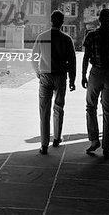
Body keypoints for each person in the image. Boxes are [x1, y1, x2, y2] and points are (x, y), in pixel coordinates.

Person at [82, 8, 109, 158]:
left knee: (90, 106)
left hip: (95, 72)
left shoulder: (91, 36)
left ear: (99, 20)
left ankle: (94, 140)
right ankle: (107, 147)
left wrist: (83, 75)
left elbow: (86, 57)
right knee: (108, 111)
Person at [32, 10, 76, 155]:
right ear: (62, 21)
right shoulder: (67, 39)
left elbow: (34, 57)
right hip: (61, 76)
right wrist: (73, 79)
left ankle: (44, 144)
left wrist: (37, 71)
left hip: (45, 75)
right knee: (59, 107)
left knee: (44, 110)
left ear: (51, 20)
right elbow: (72, 61)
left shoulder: (42, 36)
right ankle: (57, 137)